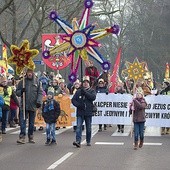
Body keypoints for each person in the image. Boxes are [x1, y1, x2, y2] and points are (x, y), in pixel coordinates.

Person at [16, 68, 43, 144]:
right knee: (23, 121)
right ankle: (22, 137)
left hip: (33, 105)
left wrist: (39, 101)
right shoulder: (22, 82)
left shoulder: (37, 82)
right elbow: (17, 93)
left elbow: (40, 92)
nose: (30, 73)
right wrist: (21, 91)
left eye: (31, 72)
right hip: (24, 105)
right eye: (28, 72)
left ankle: (30, 136)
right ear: (26, 73)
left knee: (31, 123)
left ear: (33, 72)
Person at [72, 76, 96, 147]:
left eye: (87, 82)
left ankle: (88, 140)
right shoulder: (78, 91)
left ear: (89, 83)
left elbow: (92, 97)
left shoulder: (92, 91)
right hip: (80, 112)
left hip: (88, 112)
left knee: (88, 128)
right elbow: (73, 100)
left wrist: (85, 92)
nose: (85, 84)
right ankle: (78, 141)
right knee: (79, 127)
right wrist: (79, 105)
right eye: (84, 82)